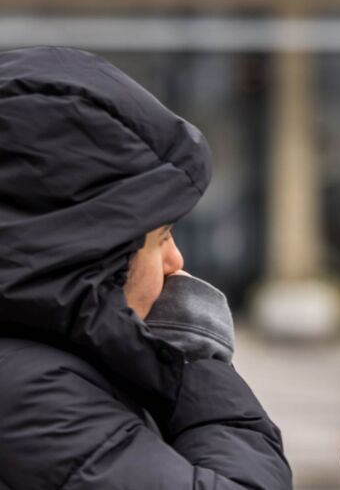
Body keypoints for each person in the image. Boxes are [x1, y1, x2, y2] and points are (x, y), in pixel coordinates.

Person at [0, 47, 292, 489]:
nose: (177, 261)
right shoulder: (34, 394)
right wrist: (193, 357)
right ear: (89, 255)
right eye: (160, 238)